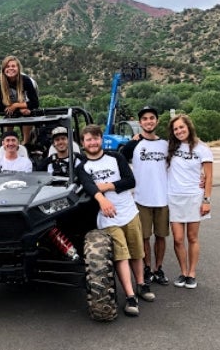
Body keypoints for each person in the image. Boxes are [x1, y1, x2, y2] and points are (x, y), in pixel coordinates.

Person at [75, 124, 155, 317]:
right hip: (107, 217)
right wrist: (102, 199)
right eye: (88, 139)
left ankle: (141, 285)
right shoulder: (83, 167)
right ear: (83, 143)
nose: (92, 142)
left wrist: (106, 186)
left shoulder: (115, 157)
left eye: (95, 138)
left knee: (137, 252)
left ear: (101, 139)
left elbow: (130, 181)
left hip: (129, 211)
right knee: (121, 255)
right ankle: (129, 296)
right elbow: (88, 186)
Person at [121, 106, 171, 286]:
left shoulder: (165, 144)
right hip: (141, 199)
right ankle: (147, 268)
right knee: (144, 238)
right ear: (140, 122)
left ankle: (159, 268)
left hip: (162, 198)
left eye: (152, 118)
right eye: (145, 119)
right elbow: (119, 163)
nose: (149, 121)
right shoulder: (133, 144)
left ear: (156, 121)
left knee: (161, 236)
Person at [165, 114, 212, 289]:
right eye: (175, 129)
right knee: (178, 239)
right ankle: (183, 272)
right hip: (174, 198)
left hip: (194, 197)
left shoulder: (202, 148)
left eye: (181, 127)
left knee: (192, 237)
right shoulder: (170, 147)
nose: (179, 131)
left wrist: (206, 200)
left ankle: (192, 273)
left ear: (189, 127)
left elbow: (207, 177)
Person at [0, 56, 40, 145]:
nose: (10, 68)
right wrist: (16, 107)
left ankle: (26, 142)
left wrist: (16, 106)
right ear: (3, 69)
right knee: (9, 114)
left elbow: (34, 103)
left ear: (18, 68)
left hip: (24, 103)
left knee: (27, 113)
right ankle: (7, 140)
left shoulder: (26, 80)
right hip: (11, 106)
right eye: (7, 66)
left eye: (13, 66)